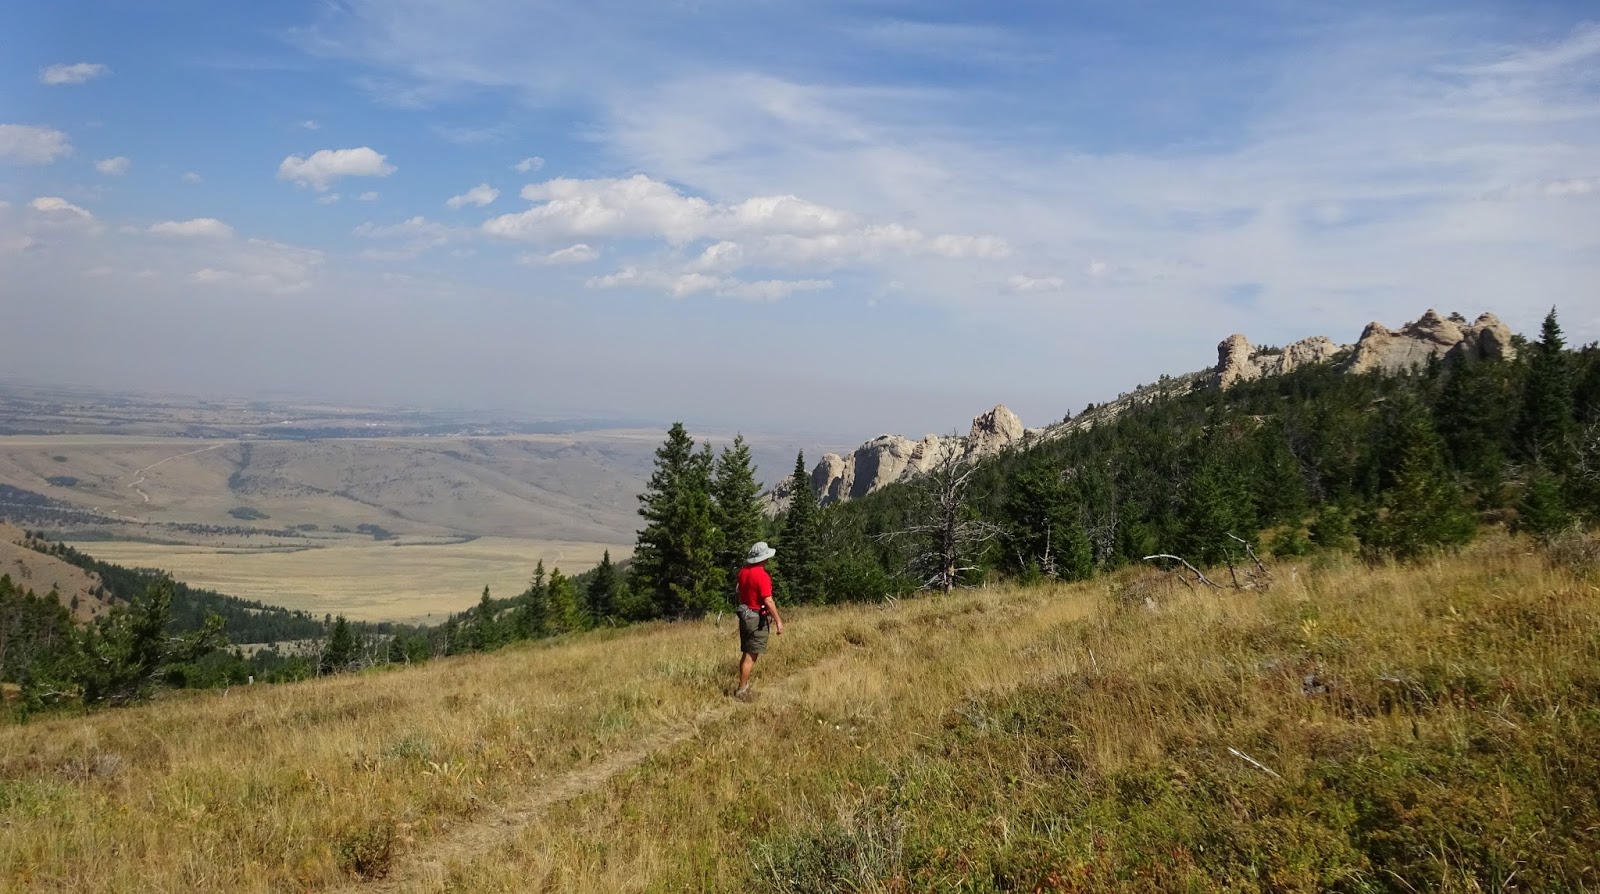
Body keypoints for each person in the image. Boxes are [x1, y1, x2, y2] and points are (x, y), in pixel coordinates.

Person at [734, 540, 784, 699]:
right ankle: (742, 689)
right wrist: (778, 621)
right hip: (756, 618)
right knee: (751, 654)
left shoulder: (743, 572)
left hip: (745, 615)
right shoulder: (762, 575)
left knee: (746, 652)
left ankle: (744, 684)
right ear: (763, 558)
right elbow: (768, 601)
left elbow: (739, 591)